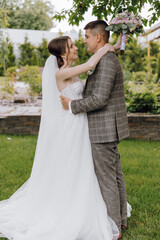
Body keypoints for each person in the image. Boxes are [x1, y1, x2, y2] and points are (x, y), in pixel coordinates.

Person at [0, 34, 123, 239]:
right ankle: (70, 208)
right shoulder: (61, 74)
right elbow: (92, 62)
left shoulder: (71, 72)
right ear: (64, 52)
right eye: (72, 46)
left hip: (80, 123)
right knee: (74, 166)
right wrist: (110, 46)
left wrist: (112, 48)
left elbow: (92, 67)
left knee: (84, 167)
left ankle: (84, 203)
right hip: (72, 127)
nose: (76, 48)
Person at [61, 20, 131, 239]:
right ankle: (121, 221)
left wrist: (72, 105)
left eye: (87, 37)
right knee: (115, 175)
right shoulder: (106, 58)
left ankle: (114, 228)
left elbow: (99, 98)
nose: (85, 41)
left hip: (104, 128)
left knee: (107, 178)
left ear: (98, 37)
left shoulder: (107, 61)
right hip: (107, 127)